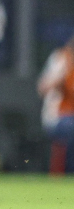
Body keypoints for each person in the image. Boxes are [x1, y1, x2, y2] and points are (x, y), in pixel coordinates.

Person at [38, 36, 74, 175]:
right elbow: (42, 88)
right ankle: (64, 174)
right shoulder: (61, 59)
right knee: (70, 126)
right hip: (58, 118)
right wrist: (61, 75)